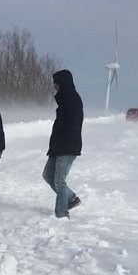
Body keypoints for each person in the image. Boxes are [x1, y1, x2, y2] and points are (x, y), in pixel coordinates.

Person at [43, 69, 83, 218]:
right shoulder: (64, 99)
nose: (54, 85)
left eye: (56, 82)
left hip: (67, 146)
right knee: (48, 175)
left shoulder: (72, 100)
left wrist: (61, 143)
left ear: (62, 83)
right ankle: (71, 198)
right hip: (58, 146)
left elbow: (71, 126)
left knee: (59, 180)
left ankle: (61, 213)